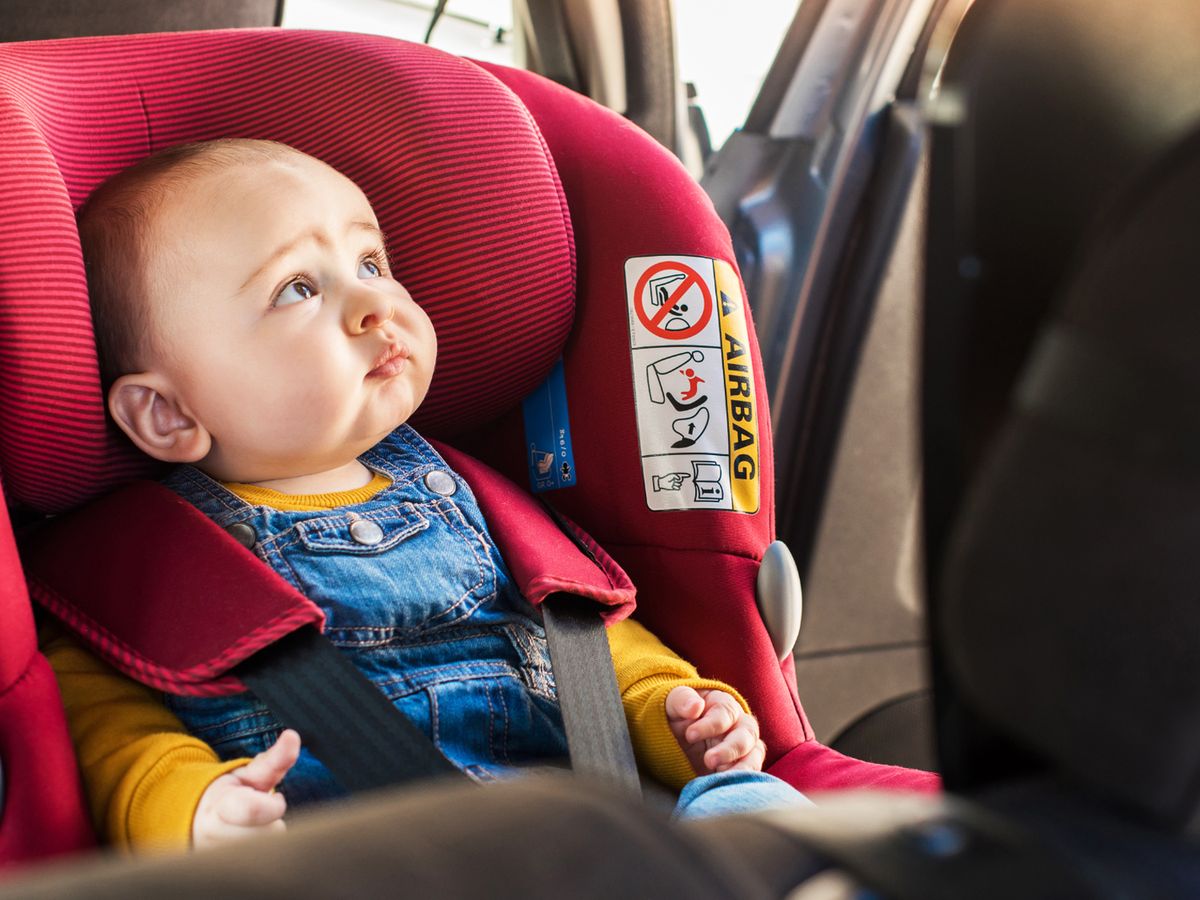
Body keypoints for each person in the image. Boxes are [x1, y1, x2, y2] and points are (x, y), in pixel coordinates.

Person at [45, 138, 808, 853]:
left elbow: (583, 637)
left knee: (746, 803)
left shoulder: (471, 495)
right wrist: (193, 806)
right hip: (364, 861)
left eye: (371, 262)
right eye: (298, 288)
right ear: (168, 414)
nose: (371, 303)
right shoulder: (145, 567)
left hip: (576, 834)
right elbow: (107, 727)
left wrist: (675, 710)